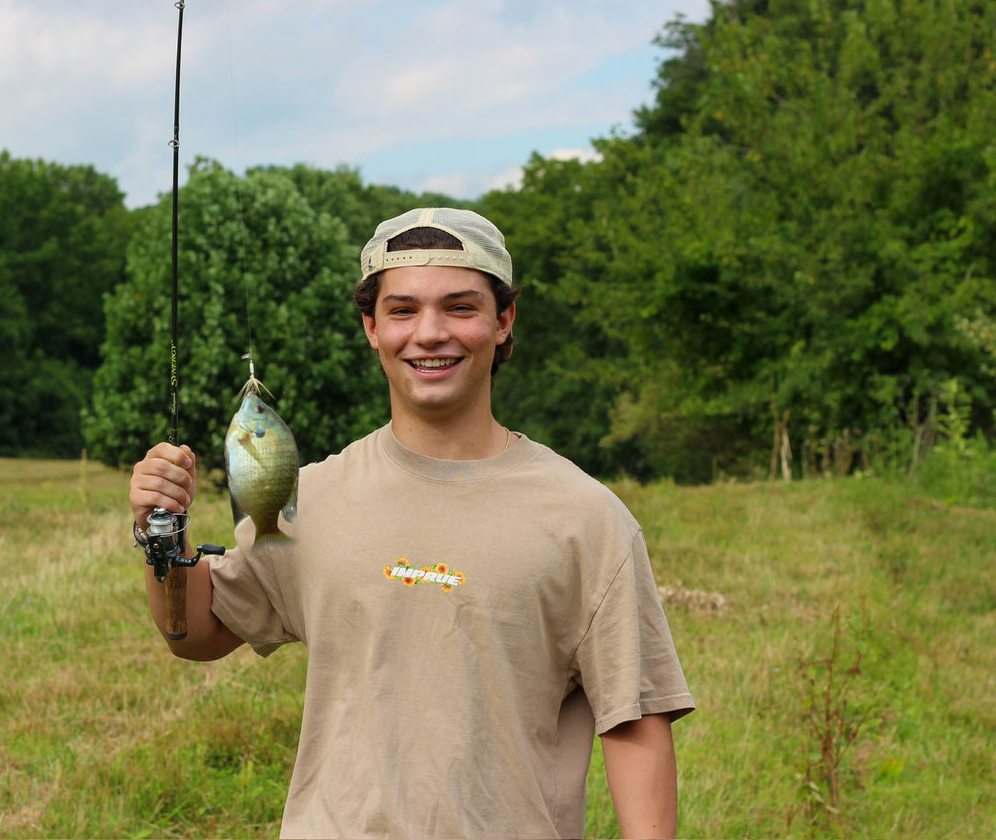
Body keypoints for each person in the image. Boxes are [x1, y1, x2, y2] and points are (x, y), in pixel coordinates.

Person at [130, 207, 694, 839]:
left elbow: (636, 723)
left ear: (503, 322)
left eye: (460, 307)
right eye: (402, 310)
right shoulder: (305, 499)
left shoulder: (587, 518)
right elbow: (197, 634)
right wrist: (162, 532)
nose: (429, 333)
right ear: (372, 327)